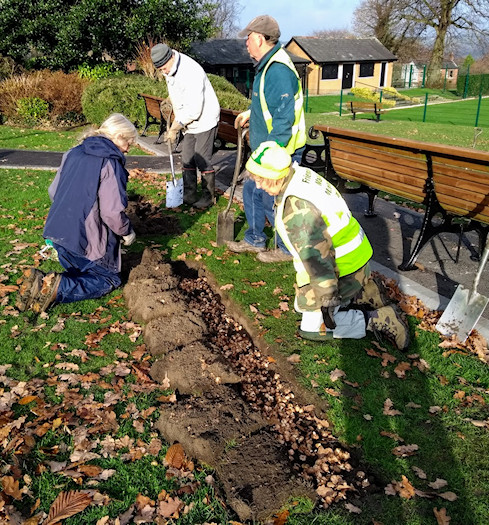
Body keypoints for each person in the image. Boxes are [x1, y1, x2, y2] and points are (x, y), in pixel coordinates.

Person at [243, 141, 410, 350]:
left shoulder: (297, 208)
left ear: (278, 174)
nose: (259, 186)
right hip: (355, 255)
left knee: (313, 328)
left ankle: (380, 319)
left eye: (263, 180)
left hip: (343, 266)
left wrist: (328, 297)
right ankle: (365, 290)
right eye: (256, 179)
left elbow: (318, 258)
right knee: (301, 305)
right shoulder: (299, 173)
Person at [16, 113, 138, 313]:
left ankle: (43, 282)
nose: (128, 149)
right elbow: (111, 212)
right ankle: (58, 288)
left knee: (82, 270)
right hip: (84, 241)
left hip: (58, 235)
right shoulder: (110, 163)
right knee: (109, 278)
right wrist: (126, 232)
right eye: (129, 142)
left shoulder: (73, 152)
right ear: (118, 137)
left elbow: (53, 191)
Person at [227, 14, 306, 263]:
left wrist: (271, 155)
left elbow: (284, 118)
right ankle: (255, 239)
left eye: (248, 38)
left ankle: (285, 248)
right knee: (251, 189)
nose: (246, 43)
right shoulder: (267, 66)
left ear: (260, 39)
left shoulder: (278, 70)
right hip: (266, 147)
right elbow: (271, 105)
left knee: (273, 198)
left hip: (281, 149)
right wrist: (251, 114)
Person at [151, 43, 220, 209]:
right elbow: (177, 93)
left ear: (171, 57)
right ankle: (189, 194)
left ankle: (208, 196)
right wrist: (172, 103)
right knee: (188, 158)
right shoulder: (169, 68)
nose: (164, 72)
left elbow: (194, 109)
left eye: (164, 68)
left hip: (205, 118)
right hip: (188, 122)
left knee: (201, 158)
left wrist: (175, 128)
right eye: (160, 70)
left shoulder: (191, 71)